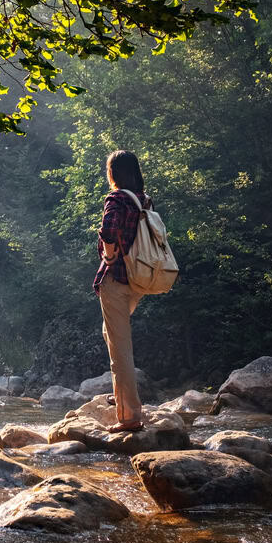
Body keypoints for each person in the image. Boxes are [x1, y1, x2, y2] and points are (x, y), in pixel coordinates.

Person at [93, 150, 151, 433]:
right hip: (137, 279)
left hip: (116, 278)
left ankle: (129, 417)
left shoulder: (116, 199)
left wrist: (111, 255)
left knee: (120, 350)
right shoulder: (143, 200)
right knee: (111, 334)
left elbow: (108, 229)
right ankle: (121, 396)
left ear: (113, 173)